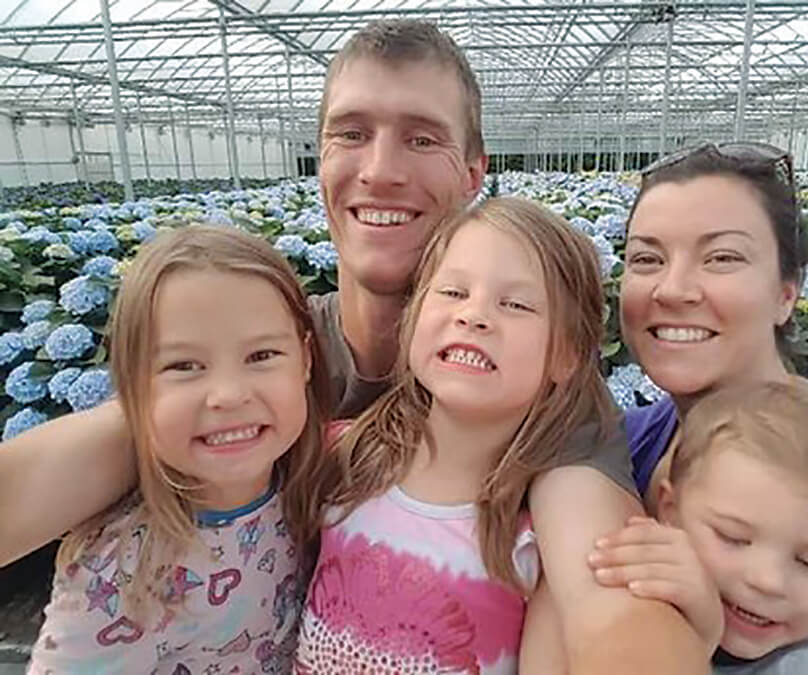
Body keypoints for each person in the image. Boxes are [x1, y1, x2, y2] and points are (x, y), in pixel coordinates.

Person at [0, 20, 708, 673]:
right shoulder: (260, 361)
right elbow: (66, 468)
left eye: (421, 138)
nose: (379, 170)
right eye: (350, 133)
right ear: (321, 160)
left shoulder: (544, 398)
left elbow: (610, 604)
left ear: (473, 173)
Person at [585, 141, 808, 665]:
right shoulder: (618, 452)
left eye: (722, 257)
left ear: (787, 292)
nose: (673, 287)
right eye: (646, 258)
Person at [297, 195, 624, 672]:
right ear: (412, 320)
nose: (474, 316)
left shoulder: (538, 544)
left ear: (568, 356)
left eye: (514, 303)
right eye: (452, 292)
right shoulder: (338, 456)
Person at [27, 225, 333, 673]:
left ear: (305, 359)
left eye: (262, 355)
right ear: (133, 382)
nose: (227, 395)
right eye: (184, 366)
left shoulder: (310, 492)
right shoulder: (121, 571)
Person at [591, 381, 808, 674]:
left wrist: (697, 647)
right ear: (670, 510)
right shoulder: (620, 605)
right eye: (733, 538)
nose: (768, 581)